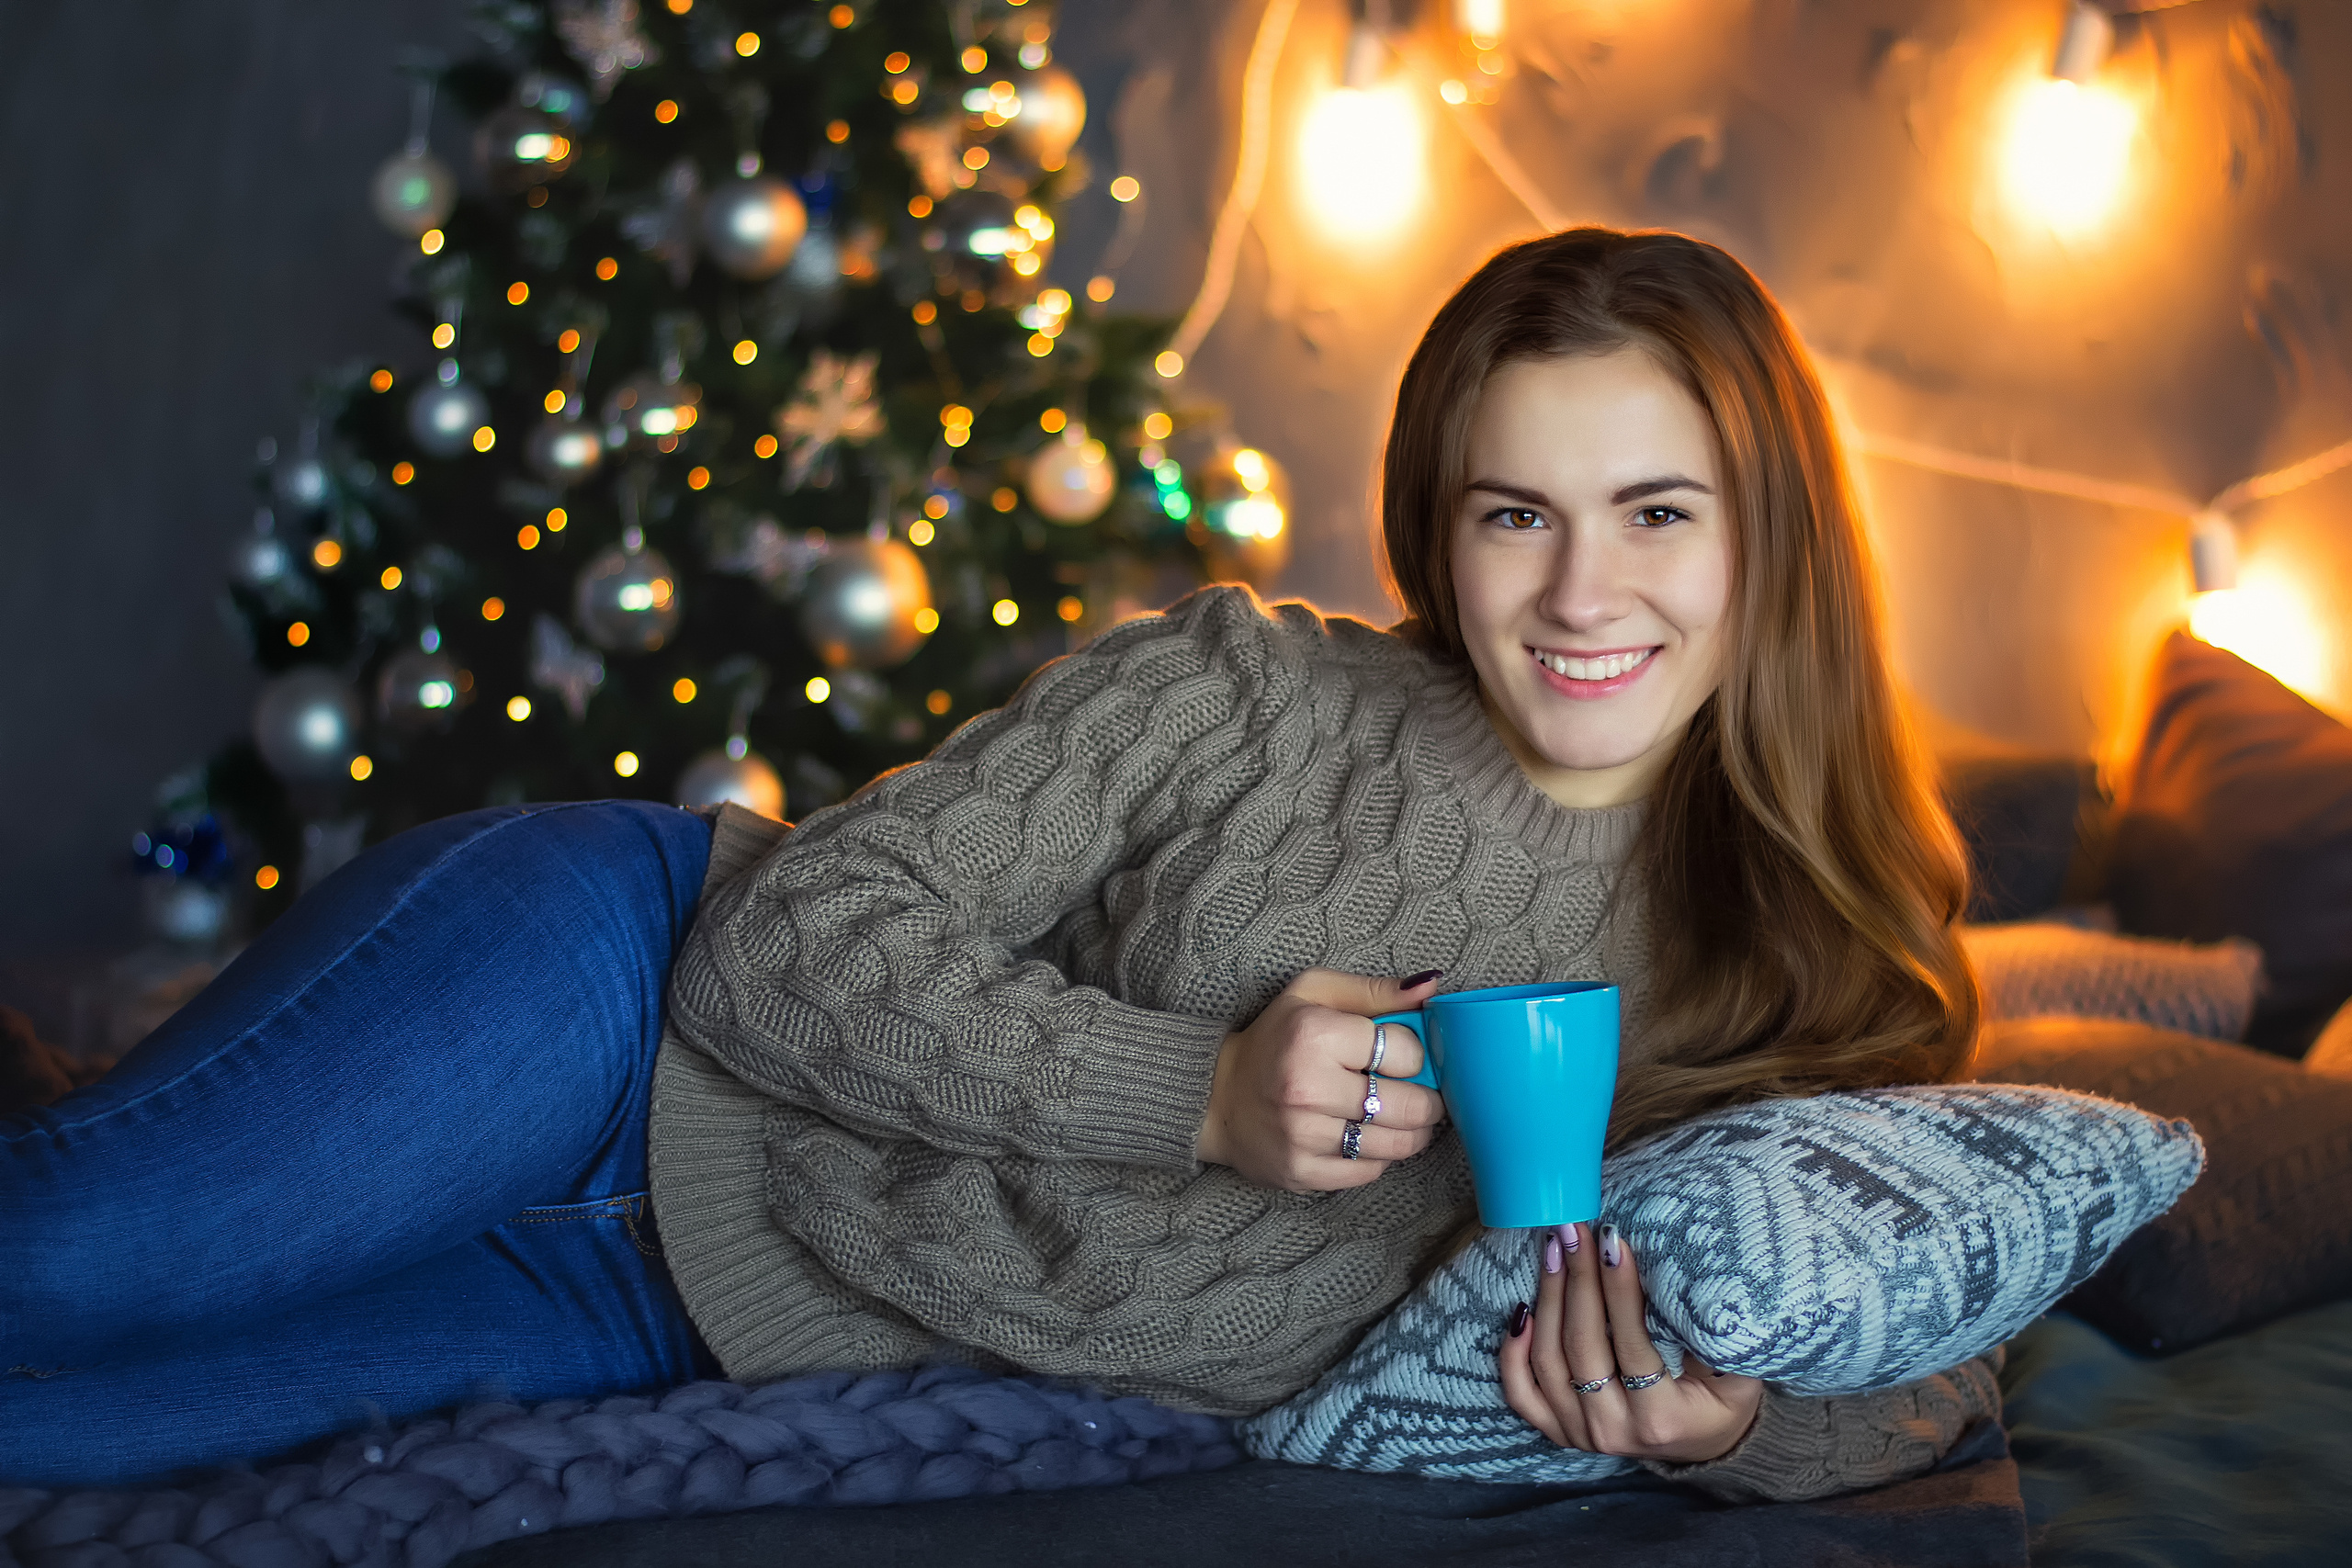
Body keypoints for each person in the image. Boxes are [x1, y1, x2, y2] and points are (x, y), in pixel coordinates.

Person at [2, 228, 1996, 1497]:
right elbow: (787, 938)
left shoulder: (1824, 947)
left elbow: (1942, 1353)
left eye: (1656, 509)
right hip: (612, 1006)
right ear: (1436, 528)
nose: (1580, 592)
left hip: (677, 1312)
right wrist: (1196, 1091)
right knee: (55, 1252)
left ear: (1765, 535)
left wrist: (1731, 1421)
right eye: (1510, 514)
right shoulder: (1249, 690)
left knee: (50, 1424)